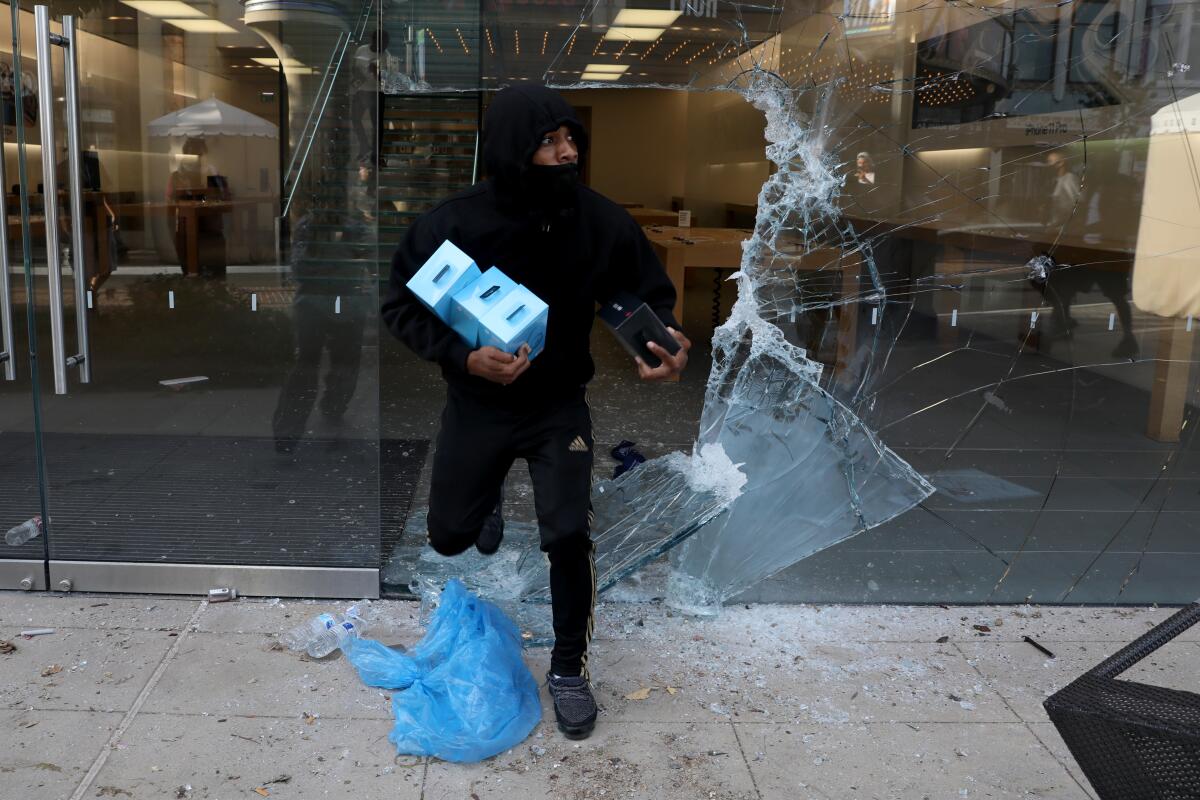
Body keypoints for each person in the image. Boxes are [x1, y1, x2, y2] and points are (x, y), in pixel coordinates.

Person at [381, 85, 690, 740]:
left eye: (570, 138)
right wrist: (464, 358)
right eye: (549, 142)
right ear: (512, 149)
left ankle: (569, 666)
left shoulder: (600, 220)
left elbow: (638, 294)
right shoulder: (454, 224)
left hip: (558, 410)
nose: (566, 152)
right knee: (448, 537)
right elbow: (400, 307)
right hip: (479, 407)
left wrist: (662, 339)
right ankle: (486, 495)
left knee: (567, 537)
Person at [350, 31, 392, 167]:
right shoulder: (361, 50)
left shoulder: (386, 56)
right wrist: (358, 76)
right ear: (374, 41)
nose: (384, 47)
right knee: (355, 118)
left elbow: (387, 81)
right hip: (361, 91)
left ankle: (375, 155)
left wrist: (376, 72)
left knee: (377, 126)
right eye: (382, 44)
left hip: (377, 92)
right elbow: (353, 68)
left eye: (386, 45)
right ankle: (364, 145)